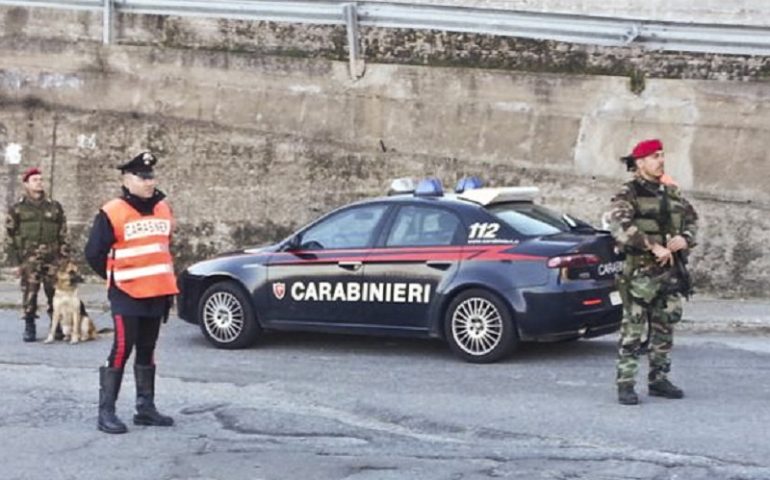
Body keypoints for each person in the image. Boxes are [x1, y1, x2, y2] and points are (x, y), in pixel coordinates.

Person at [85, 151, 178, 434]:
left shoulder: (163, 208)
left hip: (158, 292)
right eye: (142, 176)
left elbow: (162, 246)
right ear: (126, 179)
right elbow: (93, 253)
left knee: (147, 351)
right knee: (122, 349)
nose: (148, 181)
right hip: (127, 292)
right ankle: (106, 412)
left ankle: (145, 408)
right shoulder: (112, 211)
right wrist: (117, 277)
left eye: (151, 176)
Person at [605, 139, 698, 405]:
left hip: (669, 274)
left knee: (664, 328)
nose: (661, 160)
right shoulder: (628, 193)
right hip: (639, 275)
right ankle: (626, 383)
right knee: (633, 331)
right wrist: (652, 246)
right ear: (640, 162)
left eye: (662, 155)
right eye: (655, 156)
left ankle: (659, 379)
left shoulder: (670, 191)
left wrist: (685, 238)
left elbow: (691, 218)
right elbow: (620, 225)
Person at [4, 167, 69, 342]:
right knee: (30, 292)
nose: (39, 182)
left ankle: (56, 326)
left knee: (54, 292)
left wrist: (64, 258)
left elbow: (63, 232)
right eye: (35, 179)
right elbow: (10, 234)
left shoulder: (54, 206)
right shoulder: (18, 208)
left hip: (52, 257)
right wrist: (16, 262)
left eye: (41, 179)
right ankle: (29, 324)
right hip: (29, 258)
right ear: (26, 184)